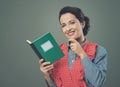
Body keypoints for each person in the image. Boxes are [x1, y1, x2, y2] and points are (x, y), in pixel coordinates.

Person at [39, 6, 107, 87]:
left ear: (82, 23)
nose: (68, 28)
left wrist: (82, 53)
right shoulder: (58, 51)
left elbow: (98, 82)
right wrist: (47, 75)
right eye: (63, 25)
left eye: (72, 22)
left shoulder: (98, 50)